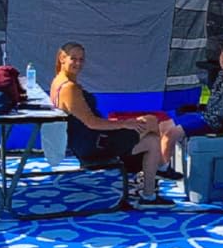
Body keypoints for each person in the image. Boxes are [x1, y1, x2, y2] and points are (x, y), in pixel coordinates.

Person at [49, 43, 162, 203]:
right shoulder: (69, 88)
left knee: (152, 141)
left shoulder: (58, 81)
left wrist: (118, 123)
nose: (78, 63)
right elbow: (92, 123)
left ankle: (148, 194)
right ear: (62, 58)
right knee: (151, 121)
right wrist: (124, 124)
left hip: (88, 141)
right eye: (73, 59)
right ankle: (162, 167)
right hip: (95, 144)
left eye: (81, 60)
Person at [163, 39, 223, 155]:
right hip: (205, 115)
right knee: (163, 125)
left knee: (171, 134)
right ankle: (163, 164)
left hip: (216, 123)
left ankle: (164, 169)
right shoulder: (218, 73)